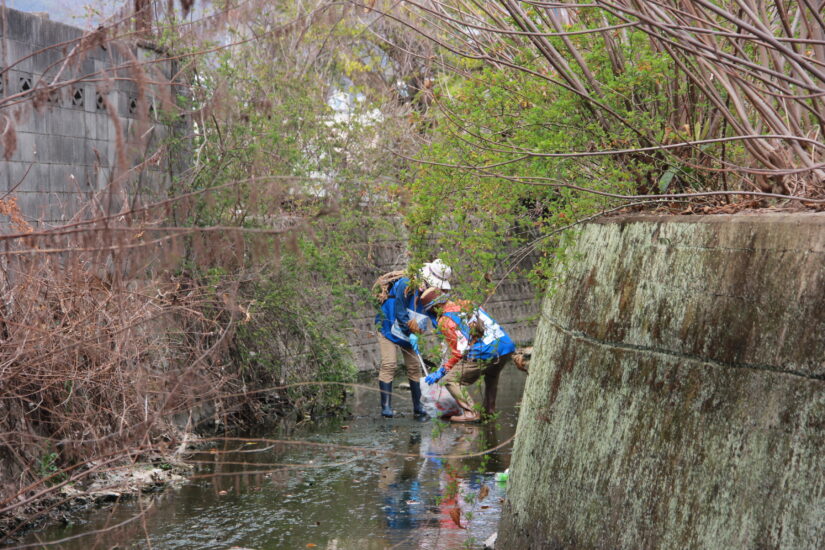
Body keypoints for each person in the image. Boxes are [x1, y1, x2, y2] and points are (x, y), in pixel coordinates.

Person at [374, 259, 453, 418]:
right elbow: (399, 310)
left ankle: (418, 407)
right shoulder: (406, 283)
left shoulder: (433, 292)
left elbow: (434, 313)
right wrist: (409, 332)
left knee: (414, 367)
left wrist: (443, 332)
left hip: (411, 329)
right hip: (388, 326)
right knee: (389, 364)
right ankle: (386, 408)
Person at [423, 297, 515, 422]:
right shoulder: (468, 303)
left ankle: (470, 413)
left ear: (435, 308)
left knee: (450, 380)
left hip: (484, 352)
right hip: (505, 345)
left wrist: (442, 371)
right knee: (491, 376)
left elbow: (458, 352)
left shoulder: (445, 320)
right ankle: (489, 411)